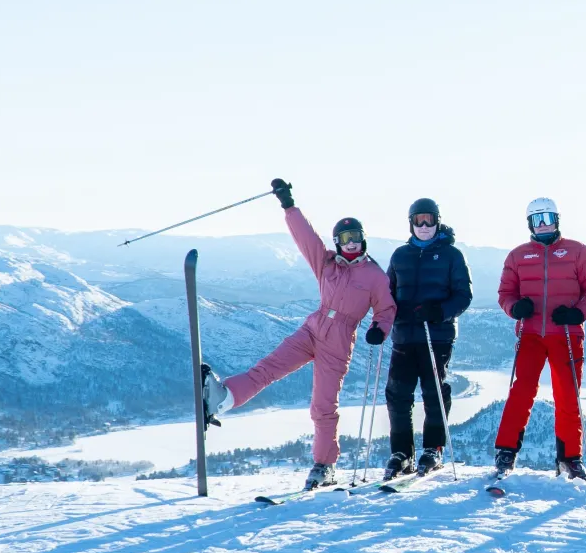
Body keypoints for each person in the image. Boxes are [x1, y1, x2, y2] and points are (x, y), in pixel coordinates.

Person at [202, 178, 396, 489]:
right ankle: (223, 398)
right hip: (313, 327)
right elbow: (306, 238)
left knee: (323, 405)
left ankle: (324, 465)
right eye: (345, 238)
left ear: (363, 239)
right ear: (337, 242)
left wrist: (379, 329)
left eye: (356, 237)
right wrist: (288, 205)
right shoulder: (327, 264)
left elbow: (386, 309)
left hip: (339, 340)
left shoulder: (374, 275)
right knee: (268, 368)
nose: (351, 243)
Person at [493, 198, 586, 480]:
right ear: (529, 224)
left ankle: (569, 458)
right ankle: (506, 452)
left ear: (557, 220)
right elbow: (506, 294)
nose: (543, 225)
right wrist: (515, 309)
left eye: (548, 218)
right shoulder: (518, 256)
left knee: (567, 395)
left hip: (565, 334)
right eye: (537, 220)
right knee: (521, 392)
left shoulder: (577, 251)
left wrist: (577, 313)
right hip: (530, 334)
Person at [383, 198, 473, 480]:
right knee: (398, 394)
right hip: (403, 336)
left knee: (434, 393)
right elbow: (385, 294)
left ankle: (433, 448)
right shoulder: (400, 255)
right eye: (418, 220)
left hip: (437, 335)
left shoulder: (452, 255)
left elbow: (464, 295)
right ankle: (402, 453)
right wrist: (383, 320)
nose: (424, 226)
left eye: (429, 220)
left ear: (437, 221)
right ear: (410, 223)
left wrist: (440, 312)